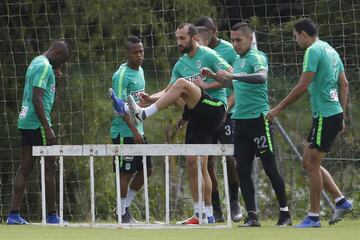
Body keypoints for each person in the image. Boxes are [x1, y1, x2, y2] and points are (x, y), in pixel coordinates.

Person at [109, 23, 232, 224]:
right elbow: (168, 91)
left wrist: (208, 83)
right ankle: (203, 214)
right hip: (197, 116)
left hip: (215, 107)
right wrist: (150, 99)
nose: (178, 42)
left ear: (193, 38)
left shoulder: (208, 54)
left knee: (183, 85)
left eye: (182, 38)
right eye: (176, 39)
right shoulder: (180, 65)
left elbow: (231, 77)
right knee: (196, 163)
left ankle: (144, 114)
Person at [201, 22, 292, 227]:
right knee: (242, 169)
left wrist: (232, 75)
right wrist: (215, 76)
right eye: (232, 40)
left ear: (250, 39)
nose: (234, 44)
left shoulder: (256, 56)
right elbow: (234, 83)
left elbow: (261, 77)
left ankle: (285, 212)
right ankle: (252, 215)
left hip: (259, 120)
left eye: (238, 40)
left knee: (269, 168)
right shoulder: (239, 60)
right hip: (239, 122)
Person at [266, 18, 352, 228]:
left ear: (303, 34)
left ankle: (313, 217)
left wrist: (278, 108)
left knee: (312, 164)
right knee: (309, 162)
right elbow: (345, 84)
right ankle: (340, 201)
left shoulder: (312, 51)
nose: (295, 40)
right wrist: (341, 115)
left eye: (295, 36)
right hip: (330, 114)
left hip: (325, 114)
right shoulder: (331, 50)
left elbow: (303, 85)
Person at [7, 40, 71, 224]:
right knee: (50, 167)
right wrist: (47, 127)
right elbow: (37, 97)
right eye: (63, 60)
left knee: (25, 166)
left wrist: (53, 74)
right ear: (56, 53)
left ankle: (13, 214)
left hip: (25, 120)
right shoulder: (45, 67)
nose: (62, 65)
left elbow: (41, 89)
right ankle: (52, 216)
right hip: (38, 124)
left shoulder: (37, 61)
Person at [195, 16, 242, 223]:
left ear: (213, 32)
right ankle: (215, 207)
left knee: (231, 158)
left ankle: (234, 202)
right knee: (207, 161)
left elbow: (238, 84)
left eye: (204, 32)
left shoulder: (228, 51)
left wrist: (227, 109)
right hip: (205, 112)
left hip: (226, 112)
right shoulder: (195, 52)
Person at [108, 36, 153, 223]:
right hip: (124, 132)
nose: (139, 55)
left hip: (138, 130)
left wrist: (143, 102)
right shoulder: (121, 75)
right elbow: (119, 107)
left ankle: (124, 208)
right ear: (127, 54)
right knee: (125, 173)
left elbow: (133, 102)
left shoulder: (140, 70)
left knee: (147, 170)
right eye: (135, 52)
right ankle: (121, 214)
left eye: (141, 51)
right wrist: (134, 131)